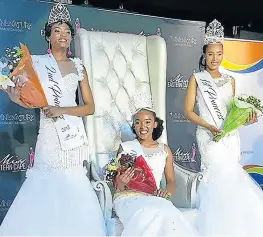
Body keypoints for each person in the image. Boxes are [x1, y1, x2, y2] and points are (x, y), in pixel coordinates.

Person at [0, 3, 107, 236]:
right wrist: (12, 92)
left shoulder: (78, 66)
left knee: (72, 183)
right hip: (48, 136)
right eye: (57, 30)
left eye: (67, 31)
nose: (63, 35)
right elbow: (26, 99)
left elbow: (89, 107)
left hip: (72, 136)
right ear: (48, 35)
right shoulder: (36, 63)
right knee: (46, 184)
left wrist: (61, 110)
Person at [184, 19, 263, 236]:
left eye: (219, 54)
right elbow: (188, 111)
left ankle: (236, 226)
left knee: (232, 176)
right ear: (204, 54)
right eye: (211, 54)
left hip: (228, 137)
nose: (215, 58)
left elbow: (231, 113)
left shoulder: (230, 80)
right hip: (208, 136)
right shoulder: (197, 79)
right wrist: (208, 125)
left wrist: (246, 119)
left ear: (223, 54)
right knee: (217, 176)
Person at [113, 106, 199, 236]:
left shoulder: (164, 150)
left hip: (154, 196)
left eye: (147, 122)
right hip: (127, 198)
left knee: (166, 210)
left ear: (155, 124)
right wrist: (119, 182)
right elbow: (118, 185)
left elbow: (171, 181)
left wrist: (166, 192)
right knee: (149, 212)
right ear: (134, 126)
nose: (142, 126)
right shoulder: (126, 148)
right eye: (138, 122)